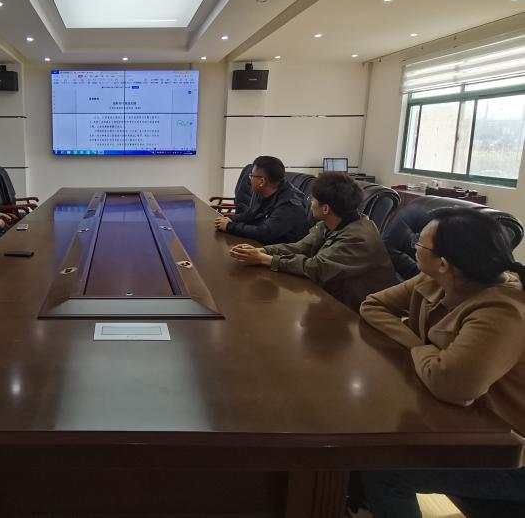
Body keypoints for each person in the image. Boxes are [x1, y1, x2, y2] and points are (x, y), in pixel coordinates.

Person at [353, 208, 525, 518]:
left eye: (419, 242)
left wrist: (424, 351)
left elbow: (453, 386)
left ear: (443, 262)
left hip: (509, 451)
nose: (414, 246)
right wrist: (420, 346)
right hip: (463, 424)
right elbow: (373, 305)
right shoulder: (436, 279)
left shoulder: (502, 310)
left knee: (384, 467)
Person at [228, 172, 396, 310]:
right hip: (334, 296)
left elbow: (316, 268)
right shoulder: (331, 222)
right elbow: (301, 247)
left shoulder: (358, 238)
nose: (310, 203)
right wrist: (262, 251)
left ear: (325, 208)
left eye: (313, 199)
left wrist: (264, 259)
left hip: (358, 310)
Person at [215, 156, 309, 244]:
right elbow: (251, 215)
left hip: (282, 252)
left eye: (251, 176)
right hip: (264, 245)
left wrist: (229, 227)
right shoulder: (265, 191)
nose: (250, 179)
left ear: (262, 181)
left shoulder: (289, 204)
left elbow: (265, 233)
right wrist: (231, 219)